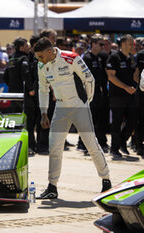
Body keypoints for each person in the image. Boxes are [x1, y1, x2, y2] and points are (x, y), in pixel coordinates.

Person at [34, 38, 111, 199]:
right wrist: (43, 112)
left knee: (91, 144)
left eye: (40, 56)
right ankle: (52, 186)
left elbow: (89, 79)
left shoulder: (72, 57)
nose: (38, 60)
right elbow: (43, 89)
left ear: (50, 52)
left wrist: (86, 102)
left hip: (79, 106)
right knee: (54, 146)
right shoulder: (41, 65)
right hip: (61, 108)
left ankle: (106, 181)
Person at [106, 34, 139, 159]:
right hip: (117, 95)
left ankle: (121, 143)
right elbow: (111, 76)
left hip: (131, 95)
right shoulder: (114, 57)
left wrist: (139, 84)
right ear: (124, 44)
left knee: (132, 121)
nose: (132, 46)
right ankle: (115, 148)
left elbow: (135, 75)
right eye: (131, 44)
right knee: (117, 122)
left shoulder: (132, 58)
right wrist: (125, 87)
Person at [3, 37, 36, 155]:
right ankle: (29, 147)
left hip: (13, 94)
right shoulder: (23, 58)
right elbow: (26, 73)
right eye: (27, 46)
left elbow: (5, 77)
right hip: (24, 95)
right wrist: (31, 89)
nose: (28, 47)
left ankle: (14, 146)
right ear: (22, 47)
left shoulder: (11, 58)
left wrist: (13, 87)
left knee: (15, 120)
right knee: (29, 120)